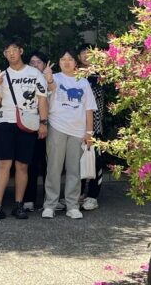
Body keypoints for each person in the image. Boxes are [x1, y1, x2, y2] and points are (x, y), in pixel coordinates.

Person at [0, 39, 54, 221]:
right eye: (7, 51)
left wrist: (43, 122)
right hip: (6, 121)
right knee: (3, 164)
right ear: (4, 54)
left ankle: (19, 204)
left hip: (28, 121)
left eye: (14, 49)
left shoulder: (34, 73)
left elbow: (42, 99)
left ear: (21, 51)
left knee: (22, 165)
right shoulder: (2, 75)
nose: (11, 53)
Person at [42, 49, 97, 220]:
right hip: (57, 127)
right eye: (63, 59)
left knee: (74, 169)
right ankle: (50, 204)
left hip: (78, 131)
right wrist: (48, 78)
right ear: (58, 62)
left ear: (76, 63)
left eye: (70, 59)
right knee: (53, 168)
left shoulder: (83, 82)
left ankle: (72, 205)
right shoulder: (54, 77)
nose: (66, 62)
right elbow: (50, 89)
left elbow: (89, 109)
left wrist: (89, 132)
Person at [78, 43, 107, 211]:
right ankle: (79, 193)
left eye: (89, 53)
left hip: (95, 126)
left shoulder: (100, 74)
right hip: (76, 126)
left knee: (95, 162)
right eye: (82, 53)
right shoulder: (74, 74)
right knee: (78, 162)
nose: (85, 56)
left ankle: (93, 196)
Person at [25, 51, 51, 211]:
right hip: (31, 125)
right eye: (32, 62)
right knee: (31, 163)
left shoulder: (53, 79)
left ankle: (50, 200)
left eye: (38, 62)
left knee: (50, 164)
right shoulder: (25, 80)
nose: (35, 65)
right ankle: (29, 198)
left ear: (45, 65)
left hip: (52, 126)